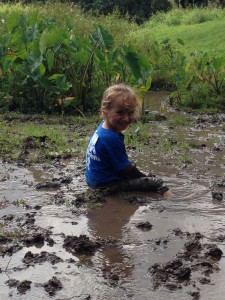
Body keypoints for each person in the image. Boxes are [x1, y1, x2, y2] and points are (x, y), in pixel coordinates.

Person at [85, 84, 172, 197]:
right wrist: (144, 177)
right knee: (156, 183)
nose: (126, 118)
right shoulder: (111, 138)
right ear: (105, 112)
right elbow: (126, 169)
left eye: (130, 113)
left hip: (94, 181)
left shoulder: (102, 128)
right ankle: (175, 205)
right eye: (120, 113)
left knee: (144, 177)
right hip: (105, 186)